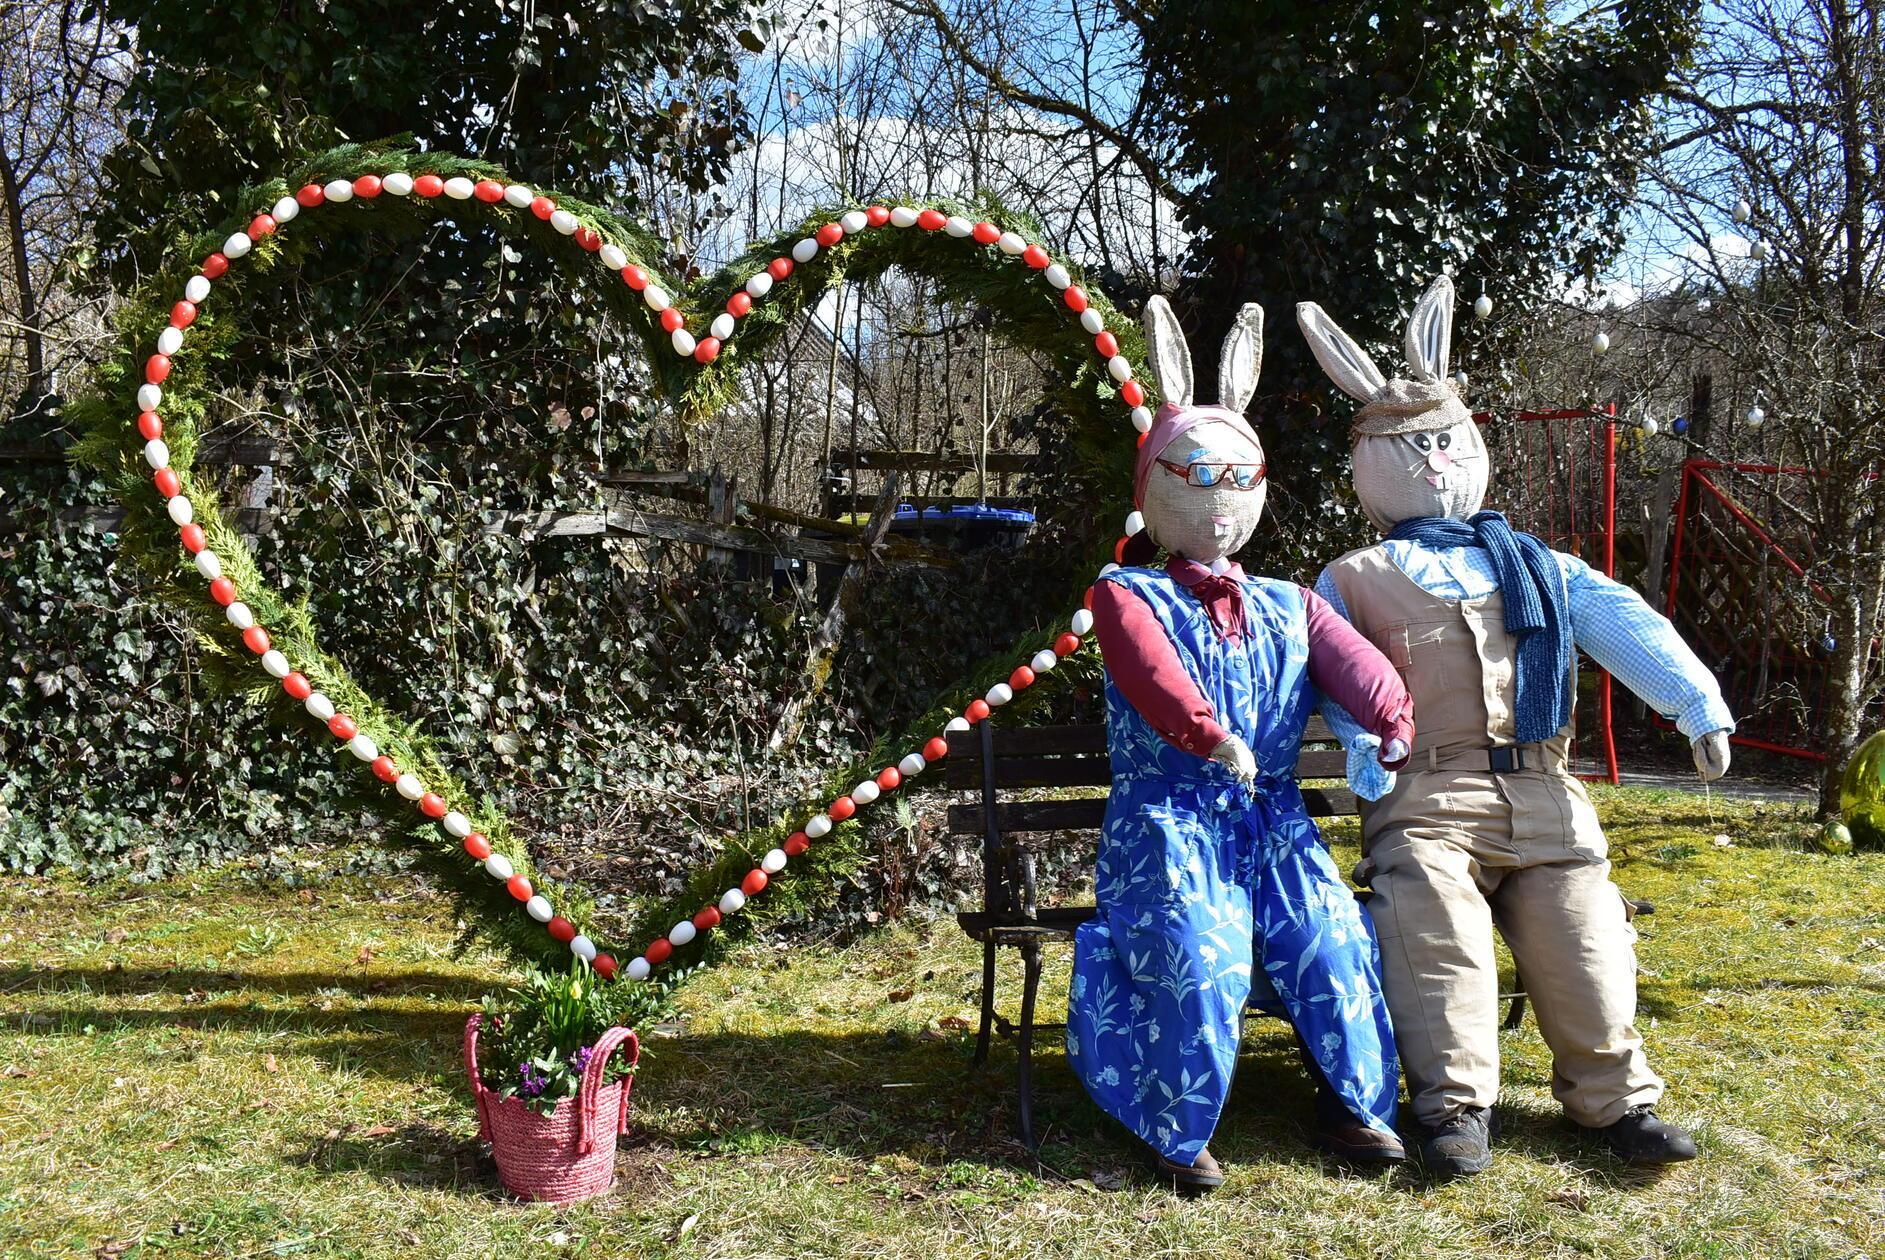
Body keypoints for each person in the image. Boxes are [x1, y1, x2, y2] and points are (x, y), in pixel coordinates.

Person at [1296, 276, 1735, 1176]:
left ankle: (1615, 1102)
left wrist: (1694, 704)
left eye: (1441, 443)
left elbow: (1626, 625)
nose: (1426, 464)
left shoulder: (1540, 566)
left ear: (1470, 445)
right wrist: (1351, 738)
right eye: (1403, 450)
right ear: (1368, 465)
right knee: (1432, 929)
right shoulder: (1354, 576)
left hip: (1545, 790)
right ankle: (1455, 1108)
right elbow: (1327, 664)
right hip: (1423, 794)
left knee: (1585, 936)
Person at [1067, 295, 1416, 1192]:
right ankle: (1172, 1120)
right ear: (1152, 487)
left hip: (1277, 827)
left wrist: (1390, 717)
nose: (1216, 503)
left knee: (1335, 940)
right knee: (1197, 950)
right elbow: (1152, 680)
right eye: (1193, 478)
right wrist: (1208, 736)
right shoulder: (1124, 594)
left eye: (1236, 480)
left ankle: (1352, 1102)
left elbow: (1354, 663)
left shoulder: (1285, 600)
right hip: (1167, 829)